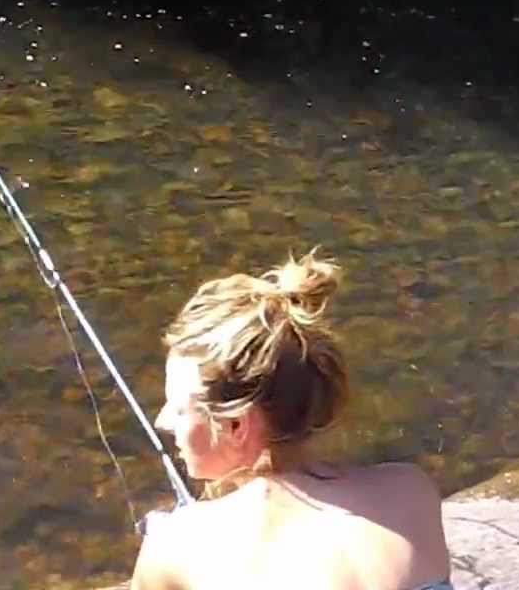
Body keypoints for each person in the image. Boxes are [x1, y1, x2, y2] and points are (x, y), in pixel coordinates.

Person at [128, 250, 452, 590]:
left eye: (177, 407)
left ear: (237, 425)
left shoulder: (175, 546)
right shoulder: (411, 491)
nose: (163, 421)